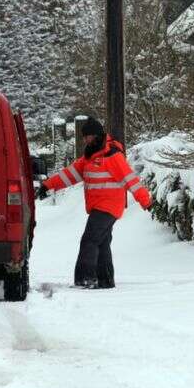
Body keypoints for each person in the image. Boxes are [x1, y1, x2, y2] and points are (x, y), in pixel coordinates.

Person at [37, 116, 152, 289]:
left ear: (96, 135)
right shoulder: (90, 157)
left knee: (89, 240)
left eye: (87, 136)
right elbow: (70, 174)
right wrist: (47, 185)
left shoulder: (112, 155)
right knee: (102, 242)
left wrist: (145, 201)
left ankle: (86, 279)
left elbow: (130, 180)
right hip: (99, 206)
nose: (84, 140)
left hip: (109, 207)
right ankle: (105, 281)